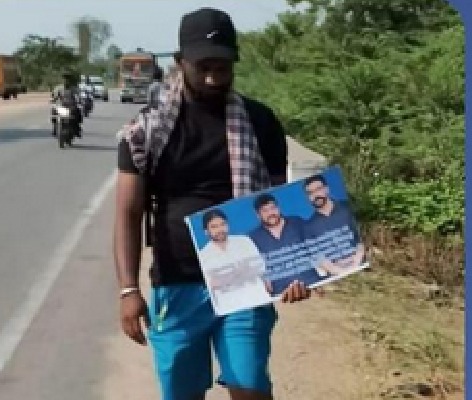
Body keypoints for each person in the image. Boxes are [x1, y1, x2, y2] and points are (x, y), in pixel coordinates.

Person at [114, 8, 314, 400]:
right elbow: (128, 212)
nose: (212, 78)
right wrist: (128, 290)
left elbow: (280, 203)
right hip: (177, 280)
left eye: (222, 68)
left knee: (249, 387)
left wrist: (294, 269)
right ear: (180, 62)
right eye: (203, 67)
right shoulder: (146, 129)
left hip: (247, 278)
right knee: (182, 393)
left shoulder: (260, 122)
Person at [249, 193, 327, 294]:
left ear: (278, 208)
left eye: (273, 208)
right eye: (265, 210)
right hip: (282, 294)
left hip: (312, 285)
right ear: (258, 215)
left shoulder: (297, 223)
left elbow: (317, 250)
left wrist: (328, 272)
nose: (271, 213)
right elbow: (256, 270)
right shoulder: (253, 238)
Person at [198, 209, 271, 313]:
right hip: (230, 308)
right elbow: (211, 284)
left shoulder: (244, 241)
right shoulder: (203, 255)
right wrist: (239, 272)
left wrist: (224, 277)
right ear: (206, 231)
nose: (220, 229)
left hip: (258, 300)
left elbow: (259, 268)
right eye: (214, 227)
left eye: (223, 224)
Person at [303, 174, 366, 274]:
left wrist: (356, 263)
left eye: (318, 189)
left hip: (362, 265)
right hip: (337, 275)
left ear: (326, 189)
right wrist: (341, 271)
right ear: (308, 197)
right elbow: (320, 258)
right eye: (310, 193)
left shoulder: (348, 207)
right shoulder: (309, 226)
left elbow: (362, 238)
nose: (315, 195)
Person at [51, 72, 82, 137]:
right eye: (65, 79)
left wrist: (79, 101)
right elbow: (55, 96)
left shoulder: (73, 88)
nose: (66, 81)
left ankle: (77, 129)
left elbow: (78, 96)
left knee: (78, 113)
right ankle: (55, 127)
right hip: (62, 106)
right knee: (53, 111)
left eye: (67, 79)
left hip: (71, 107)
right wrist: (53, 100)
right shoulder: (58, 88)